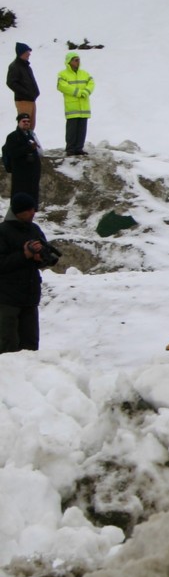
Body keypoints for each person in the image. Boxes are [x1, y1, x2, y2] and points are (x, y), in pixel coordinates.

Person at [0, 193, 48, 353]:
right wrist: (24, 255)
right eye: (28, 210)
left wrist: (40, 257)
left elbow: (49, 257)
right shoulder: (3, 231)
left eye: (33, 209)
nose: (33, 212)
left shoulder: (34, 229)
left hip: (30, 297)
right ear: (18, 211)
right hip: (7, 299)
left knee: (30, 346)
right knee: (7, 345)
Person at [56, 51, 94, 156]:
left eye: (78, 60)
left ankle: (79, 148)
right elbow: (62, 86)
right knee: (72, 129)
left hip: (84, 106)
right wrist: (78, 93)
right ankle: (70, 149)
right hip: (72, 107)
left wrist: (86, 92)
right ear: (69, 61)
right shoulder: (63, 74)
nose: (78, 62)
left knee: (82, 129)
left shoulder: (84, 73)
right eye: (75, 60)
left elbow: (91, 83)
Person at [3, 112, 42, 204]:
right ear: (18, 122)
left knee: (31, 198)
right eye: (24, 121)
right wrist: (28, 148)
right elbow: (13, 153)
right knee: (20, 199)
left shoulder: (31, 135)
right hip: (20, 174)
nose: (26, 123)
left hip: (32, 174)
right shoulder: (13, 136)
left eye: (28, 121)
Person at [7, 43, 38, 121]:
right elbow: (11, 83)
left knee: (30, 125)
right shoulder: (14, 66)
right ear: (22, 53)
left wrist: (35, 92)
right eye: (27, 52)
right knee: (24, 125)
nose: (29, 54)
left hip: (31, 99)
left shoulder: (26, 66)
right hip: (23, 100)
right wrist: (26, 93)